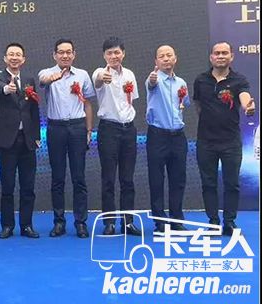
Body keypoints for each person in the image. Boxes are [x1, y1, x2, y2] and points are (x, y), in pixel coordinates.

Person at [193, 42, 255, 236]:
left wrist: (248, 107)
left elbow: (245, 98)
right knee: (208, 183)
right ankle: (213, 221)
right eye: (217, 53)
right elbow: (198, 106)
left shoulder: (239, 80)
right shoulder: (201, 80)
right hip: (206, 141)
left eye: (224, 53)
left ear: (231, 57)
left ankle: (229, 222)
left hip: (230, 142)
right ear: (211, 57)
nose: (220, 56)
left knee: (232, 183)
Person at [38, 38, 94, 239]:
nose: (65, 55)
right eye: (61, 52)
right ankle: (59, 222)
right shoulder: (47, 73)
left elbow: (87, 103)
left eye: (68, 52)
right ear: (54, 55)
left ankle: (81, 222)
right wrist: (53, 78)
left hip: (78, 128)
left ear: (74, 54)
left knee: (79, 177)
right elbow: (42, 80)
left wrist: (88, 130)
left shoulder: (82, 75)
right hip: (56, 128)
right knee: (58, 178)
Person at [0, 43, 41, 239]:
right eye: (11, 54)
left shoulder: (28, 80)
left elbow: (34, 110)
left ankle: (26, 225)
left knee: (28, 186)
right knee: (8, 186)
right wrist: (7, 89)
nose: (14, 57)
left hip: (27, 140)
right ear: (5, 58)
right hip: (7, 140)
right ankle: (7, 226)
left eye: (18, 54)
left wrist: (36, 136)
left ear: (23, 59)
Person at [92, 37, 141, 236]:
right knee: (108, 178)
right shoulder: (100, 72)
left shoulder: (129, 74)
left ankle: (128, 222)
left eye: (117, 52)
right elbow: (98, 80)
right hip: (109, 130)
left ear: (123, 53)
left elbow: (131, 101)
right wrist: (102, 77)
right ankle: (109, 222)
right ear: (104, 55)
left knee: (127, 179)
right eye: (109, 53)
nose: (114, 56)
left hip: (128, 130)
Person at [145, 45, 191, 235]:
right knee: (156, 179)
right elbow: (150, 84)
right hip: (158, 135)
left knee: (178, 179)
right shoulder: (154, 79)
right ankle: (160, 220)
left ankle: (176, 219)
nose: (165, 58)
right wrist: (152, 80)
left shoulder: (181, 83)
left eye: (169, 55)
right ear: (156, 61)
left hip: (178, 136)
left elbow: (185, 104)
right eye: (161, 56)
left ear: (175, 58)